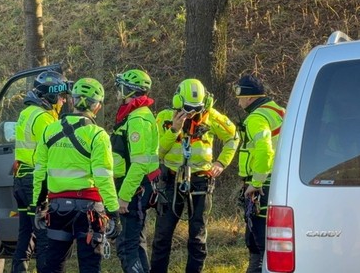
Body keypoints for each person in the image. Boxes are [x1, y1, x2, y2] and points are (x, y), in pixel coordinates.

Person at [31, 78, 121, 273]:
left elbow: (40, 173)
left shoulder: (49, 131)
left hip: (57, 208)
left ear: (72, 100)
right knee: (89, 266)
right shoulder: (98, 135)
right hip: (89, 211)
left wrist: (38, 205)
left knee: (53, 265)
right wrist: (113, 212)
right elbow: (103, 178)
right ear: (96, 106)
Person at [150, 78, 239, 273]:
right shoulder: (164, 117)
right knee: (162, 235)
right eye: (188, 108)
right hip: (171, 180)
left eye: (196, 109)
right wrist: (174, 130)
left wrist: (221, 163)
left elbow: (233, 137)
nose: (192, 114)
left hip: (201, 180)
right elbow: (157, 152)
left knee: (197, 236)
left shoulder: (211, 117)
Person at [12, 70, 70, 273]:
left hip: (20, 179)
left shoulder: (26, 113)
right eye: (62, 97)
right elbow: (53, 152)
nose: (63, 102)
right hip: (35, 182)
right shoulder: (45, 118)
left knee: (25, 234)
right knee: (45, 237)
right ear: (52, 96)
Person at [233, 74, 285, 273]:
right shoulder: (279, 111)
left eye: (240, 98)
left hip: (262, 184)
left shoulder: (256, 118)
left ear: (248, 97)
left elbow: (264, 150)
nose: (239, 103)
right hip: (278, 179)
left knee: (259, 238)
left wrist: (256, 182)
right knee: (272, 237)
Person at [111, 69, 159, 273]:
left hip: (135, 189)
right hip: (135, 186)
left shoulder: (138, 119)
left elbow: (138, 163)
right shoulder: (135, 115)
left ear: (132, 91)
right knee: (137, 242)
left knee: (127, 245)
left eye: (123, 88)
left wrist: (124, 197)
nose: (119, 92)